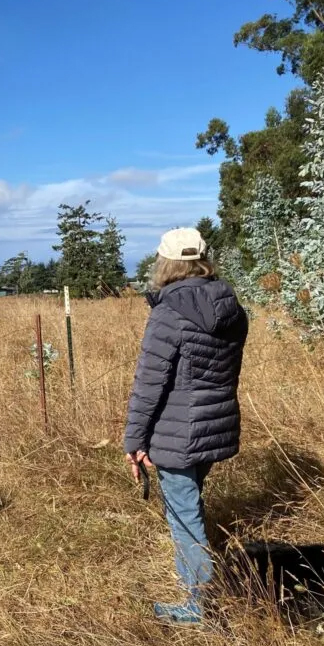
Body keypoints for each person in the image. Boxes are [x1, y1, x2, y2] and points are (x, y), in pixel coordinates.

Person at [124, 227, 249, 625]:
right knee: (190, 504)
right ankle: (207, 592)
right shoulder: (232, 307)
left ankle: (201, 606)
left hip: (177, 432)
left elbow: (149, 384)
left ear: (165, 262)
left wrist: (134, 440)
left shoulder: (168, 313)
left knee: (184, 517)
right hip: (217, 423)